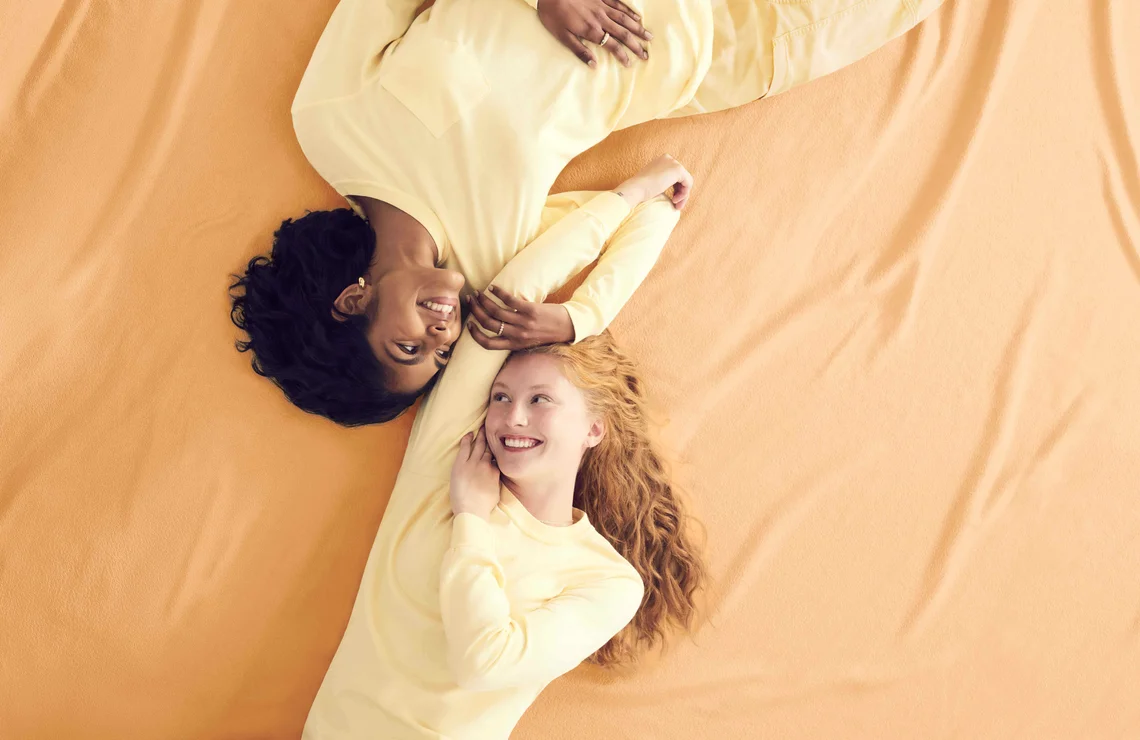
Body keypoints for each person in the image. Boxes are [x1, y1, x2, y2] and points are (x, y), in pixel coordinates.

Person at [230, 0, 946, 426]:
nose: (444, 335)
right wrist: (578, 320)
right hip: (739, 41)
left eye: (410, 346)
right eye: (440, 357)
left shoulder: (331, 123)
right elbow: (648, 202)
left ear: (351, 301)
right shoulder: (494, 267)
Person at [302, 162, 703, 738]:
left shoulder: (607, 582)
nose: (511, 417)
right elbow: (521, 287)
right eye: (499, 396)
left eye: (541, 399)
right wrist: (641, 201)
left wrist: (472, 519)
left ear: (595, 427)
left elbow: (483, 661)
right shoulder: (446, 456)